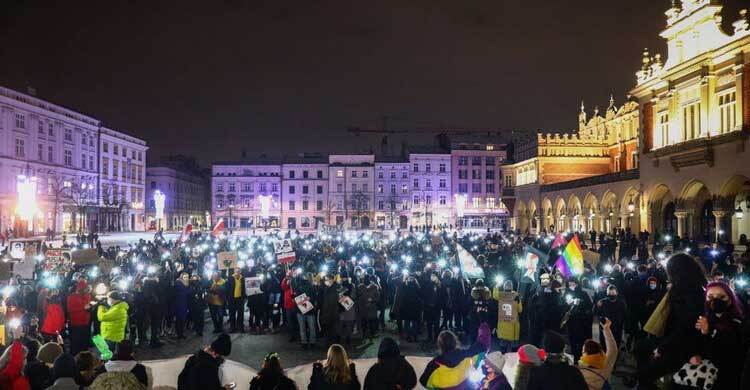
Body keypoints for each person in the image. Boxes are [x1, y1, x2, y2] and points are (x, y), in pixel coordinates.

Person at [635, 253, 706, 390]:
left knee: (646, 368)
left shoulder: (689, 294)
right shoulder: (685, 289)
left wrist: (661, 348)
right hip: (675, 340)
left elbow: (684, 327)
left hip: (684, 346)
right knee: (640, 347)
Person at [688, 281, 745, 390]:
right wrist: (695, 354)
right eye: (710, 297)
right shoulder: (705, 317)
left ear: (730, 298)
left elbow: (732, 352)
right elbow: (697, 341)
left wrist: (709, 331)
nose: (715, 300)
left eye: (721, 297)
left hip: (729, 373)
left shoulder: (738, 321)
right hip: (706, 368)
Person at [419, 322, 491, 389]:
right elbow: (483, 345)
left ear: (440, 345)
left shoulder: (433, 365)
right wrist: (483, 325)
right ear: (455, 342)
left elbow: (423, 381)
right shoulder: (468, 355)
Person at [577, 318, 617, 390]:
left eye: (583, 351)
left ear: (586, 354)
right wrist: (607, 329)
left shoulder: (579, 371)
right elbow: (613, 350)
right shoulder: (605, 365)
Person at [492, 280, 522, 353]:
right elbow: (520, 310)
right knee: (514, 347)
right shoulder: (516, 296)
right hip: (513, 326)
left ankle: (502, 360)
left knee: (503, 345)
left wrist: (496, 286)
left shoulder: (501, 295)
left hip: (503, 325)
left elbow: (494, 295)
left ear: (504, 287)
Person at [594, 285, 626, 350]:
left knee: (615, 345)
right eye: (610, 293)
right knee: (604, 346)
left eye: (613, 292)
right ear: (607, 293)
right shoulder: (602, 302)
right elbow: (595, 313)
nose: (611, 294)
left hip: (617, 328)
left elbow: (625, 315)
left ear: (616, 293)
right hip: (605, 328)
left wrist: (625, 327)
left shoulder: (621, 303)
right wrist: (597, 306)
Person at [66, 279, 93, 355]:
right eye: (83, 288)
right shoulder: (72, 297)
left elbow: (88, 307)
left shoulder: (88, 296)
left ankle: (84, 357)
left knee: (84, 343)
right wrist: (83, 307)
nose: (85, 290)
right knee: (76, 344)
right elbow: (70, 309)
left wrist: (90, 307)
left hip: (85, 323)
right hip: (76, 324)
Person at [357, 274, 380, 339]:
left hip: (372, 308)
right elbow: (358, 297)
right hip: (363, 308)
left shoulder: (375, 286)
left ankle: (372, 334)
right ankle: (364, 334)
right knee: (364, 323)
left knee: (372, 322)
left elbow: (378, 297)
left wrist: (372, 300)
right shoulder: (360, 287)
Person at [225, 267, 246, 333]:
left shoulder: (243, 278)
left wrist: (244, 297)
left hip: (240, 298)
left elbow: (244, 288)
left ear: (240, 271)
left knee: (240, 313)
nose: (237, 272)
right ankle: (232, 327)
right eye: (236, 271)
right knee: (232, 313)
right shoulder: (230, 278)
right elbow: (227, 289)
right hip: (232, 299)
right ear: (234, 271)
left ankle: (240, 327)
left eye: (238, 271)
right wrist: (227, 298)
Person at [174, 273, 191, 339]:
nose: (186, 278)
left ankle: (181, 333)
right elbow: (187, 292)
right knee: (179, 320)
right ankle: (179, 334)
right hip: (178, 304)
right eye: (184, 277)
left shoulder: (187, 284)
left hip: (185, 304)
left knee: (183, 320)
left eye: (187, 277)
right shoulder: (178, 283)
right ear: (181, 278)